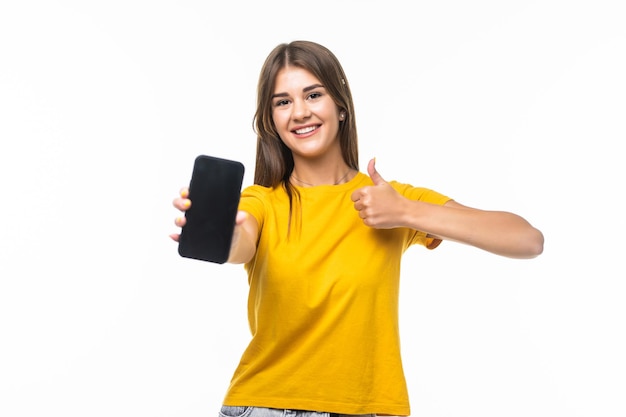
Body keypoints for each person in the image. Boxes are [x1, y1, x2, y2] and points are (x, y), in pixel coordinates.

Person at [170, 40, 544, 417]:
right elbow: (241, 243)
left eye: (313, 95)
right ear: (271, 120)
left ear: (341, 106)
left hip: (371, 408)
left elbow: (527, 240)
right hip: (268, 403)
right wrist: (220, 231)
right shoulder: (262, 201)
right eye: (282, 102)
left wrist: (407, 212)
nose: (299, 112)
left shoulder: (391, 201)